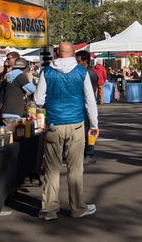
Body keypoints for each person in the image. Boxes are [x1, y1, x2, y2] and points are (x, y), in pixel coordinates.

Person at [34, 42, 98, 220]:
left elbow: (38, 100)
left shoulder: (47, 71)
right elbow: (90, 101)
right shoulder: (81, 72)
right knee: (75, 169)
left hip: (54, 124)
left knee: (52, 169)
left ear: (57, 53)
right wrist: (94, 125)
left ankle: (49, 210)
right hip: (76, 124)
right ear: (73, 54)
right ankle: (77, 207)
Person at [75, 50, 99, 165]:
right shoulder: (83, 71)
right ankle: (86, 153)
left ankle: (90, 154)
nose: (76, 62)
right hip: (81, 103)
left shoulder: (89, 73)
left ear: (85, 61)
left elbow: (90, 93)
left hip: (87, 104)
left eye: (78, 61)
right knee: (84, 130)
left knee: (89, 129)